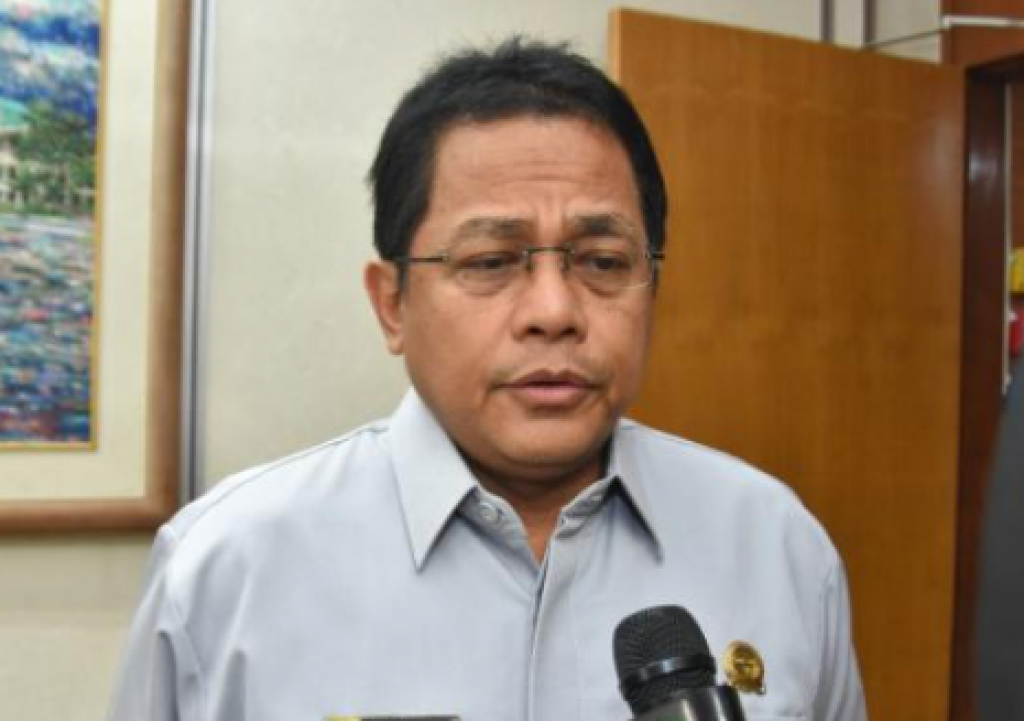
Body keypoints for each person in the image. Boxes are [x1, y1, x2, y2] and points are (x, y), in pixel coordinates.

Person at [107, 37, 866, 721]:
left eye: (604, 261)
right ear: (392, 303)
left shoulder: (778, 547)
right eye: (491, 261)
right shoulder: (226, 569)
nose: (554, 312)